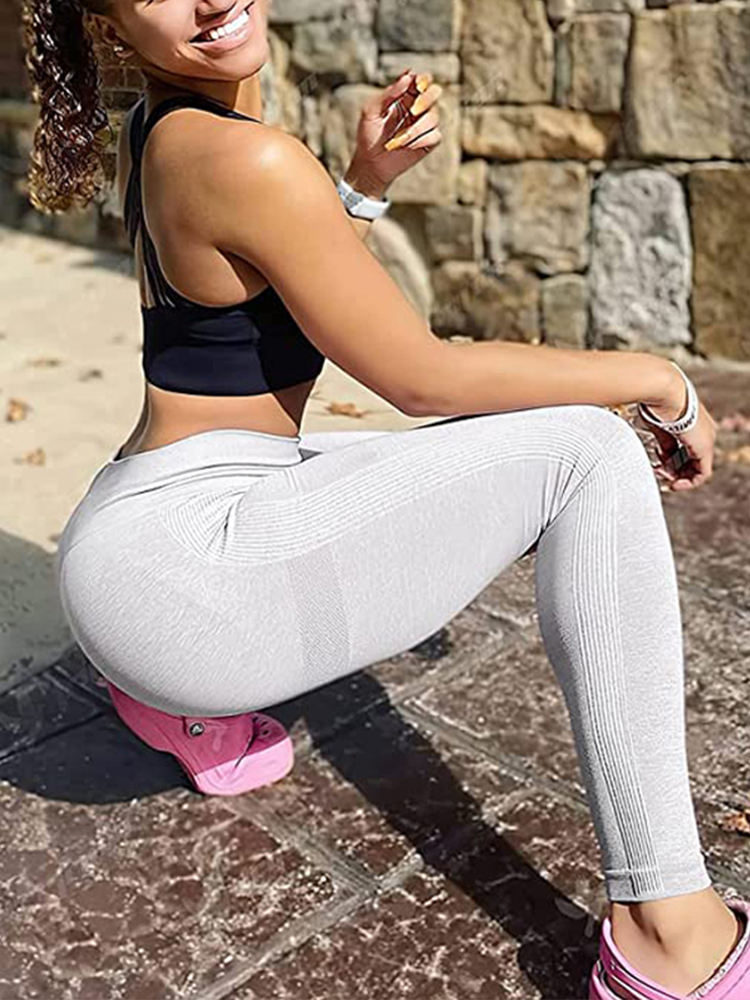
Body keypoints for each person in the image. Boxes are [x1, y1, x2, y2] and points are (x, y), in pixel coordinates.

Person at [19, 0, 749, 995]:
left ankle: (172, 702)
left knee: (473, 454)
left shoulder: (164, 127)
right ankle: (669, 934)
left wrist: (358, 189)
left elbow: (255, 312)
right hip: (184, 584)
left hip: (142, 525)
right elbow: (422, 379)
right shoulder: (247, 157)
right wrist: (657, 380)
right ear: (111, 29)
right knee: (587, 451)